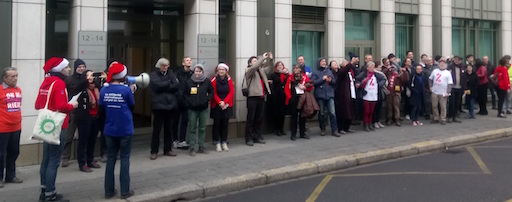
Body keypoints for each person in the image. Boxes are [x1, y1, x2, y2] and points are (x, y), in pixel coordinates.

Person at [35, 57, 78, 202]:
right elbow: (62, 106)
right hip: (58, 125)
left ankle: (44, 191)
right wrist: (73, 105)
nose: (69, 69)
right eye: (66, 67)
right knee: (54, 161)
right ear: (60, 69)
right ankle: (50, 194)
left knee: (46, 159)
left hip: (46, 125)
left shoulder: (45, 82)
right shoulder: (59, 83)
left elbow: (37, 104)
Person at [99, 62, 135, 199]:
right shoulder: (126, 90)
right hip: (125, 129)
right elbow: (132, 106)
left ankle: (108, 191)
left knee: (110, 160)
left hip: (110, 129)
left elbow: (101, 110)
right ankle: (124, 190)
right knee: (125, 159)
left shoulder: (103, 90)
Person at [149, 58, 179, 160]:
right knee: (157, 130)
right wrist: (168, 83)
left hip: (170, 105)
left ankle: (168, 149)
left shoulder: (171, 74)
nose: (165, 67)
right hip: (158, 106)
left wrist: (166, 84)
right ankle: (154, 151)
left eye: (166, 65)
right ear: (159, 66)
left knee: (168, 129)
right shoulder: (153, 75)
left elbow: (176, 86)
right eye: (163, 65)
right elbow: (156, 86)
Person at [61, 59, 87, 168]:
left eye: (83, 67)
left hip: (84, 111)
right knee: (68, 136)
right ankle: (65, 157)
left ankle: (82, 158)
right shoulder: (69, 80)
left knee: (83, 137)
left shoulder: (87, 79)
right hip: (72, 111)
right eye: (79, 67)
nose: (82, 69)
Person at [75, 70, 101, 172]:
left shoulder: (96, 88)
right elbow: (77, 88)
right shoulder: (83, 88)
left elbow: (102, 87)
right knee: (83, 141)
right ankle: (82, 163)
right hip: (84, 118)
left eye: (92, 75)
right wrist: (86, 79)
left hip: (95, 117)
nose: (91, 78)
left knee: (92, 140)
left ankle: (90, 160)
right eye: (89, 76)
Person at [0, 67, 22, 188]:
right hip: (2, 128)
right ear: (4, 78)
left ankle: (10, 175)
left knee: (14, 152)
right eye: (12, 76)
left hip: (16, 127)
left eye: (16, 76)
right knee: (1, 154)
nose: (15, 78)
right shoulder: (0, 90)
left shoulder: (18, 89)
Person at [244, 52, 273, 146]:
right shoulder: (249, 70)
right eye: (254, 61)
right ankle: (248, 138)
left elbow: (270, 69)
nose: (257, 62)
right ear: (250, 63)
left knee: (259, 118)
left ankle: (257, 136)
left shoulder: (261, 70)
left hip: (261, 97)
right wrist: (262, 59)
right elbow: (254, 67)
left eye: (257, 61)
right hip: (252, 97)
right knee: (250, 119)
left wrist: (270, 60)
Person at [185, 64, 213, 156]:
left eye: (200, 71)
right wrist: (190, 102)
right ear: (194, 72)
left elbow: (211, 92)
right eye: (196, 71)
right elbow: (185, 94)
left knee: (202, 128)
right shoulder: (189, 81)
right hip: (192, 109)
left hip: (203, 109)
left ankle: (201, 146)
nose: (198, 73)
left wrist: (206, 99)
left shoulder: (207, 81)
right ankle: (192, 147)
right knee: (192, 128)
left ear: (202, 72)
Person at [311, 58, 341, 137]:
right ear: (319, 63)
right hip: (320, 95)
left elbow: (334, 82)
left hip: (329, 94)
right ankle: (323, 129)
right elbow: (313, 83)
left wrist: (330, 80)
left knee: (332, 112)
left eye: (325, 61)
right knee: (322, 113)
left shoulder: (329, 71)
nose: (324, 63)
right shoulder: (315, 72)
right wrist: (322, 79)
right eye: (322, 62)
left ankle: (334, 130)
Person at [285, 63, 313, 140]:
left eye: (296, 68)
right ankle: (293, 134)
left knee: (302, 116)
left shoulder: (304, 76)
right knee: (294, 117)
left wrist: (305, 88)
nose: (295, 70)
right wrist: (290, 98)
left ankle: (302, 133)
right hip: (294, 98)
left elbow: (310, 87)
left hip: (303, 98)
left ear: (300, 69)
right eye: (294, 68)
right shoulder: (290, 77)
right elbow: (287, 89)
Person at [356, 62, 386, 132]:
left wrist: (379, 85)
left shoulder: (376, 75)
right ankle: (365, 124)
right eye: (370, 67)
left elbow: (383, 79)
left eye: (373, 67)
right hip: (367, 94)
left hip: (374, 94)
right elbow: (357, 79)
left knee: (372, 111)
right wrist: (359, 84)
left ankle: (370, 123)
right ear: (367, 68)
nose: (371, 68)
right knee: (367, 111)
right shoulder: (364, 74)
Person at [210, 63, 234, 152]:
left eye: (223, 70)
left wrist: (225, 102)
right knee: (217, 124)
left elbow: (231, 92)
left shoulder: (229, 80)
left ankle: (224, 141)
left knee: (225, 124)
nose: (221, 71)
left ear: (226, 71)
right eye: (219, 70)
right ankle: (217, 142)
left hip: (226, 105)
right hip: (217, 105)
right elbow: (213, 93)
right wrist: (220, 102)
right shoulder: (214, 80)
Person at [173, 56, 193, 149]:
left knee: (185, 121)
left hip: (187, 101)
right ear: (183, 63)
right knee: (175, 121)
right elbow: (175, 87)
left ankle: (182, 140)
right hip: (177, 101)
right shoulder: (177, 74)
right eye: (187, 60)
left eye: (190, 60)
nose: (189, 62)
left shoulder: (192, 74)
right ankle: (175, 139)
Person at [334, 58, 357, 134]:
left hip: (351, 93)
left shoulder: (349, 72)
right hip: (343, 95)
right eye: (345, 63)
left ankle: (347, 127)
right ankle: (341, 128)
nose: (347, 64)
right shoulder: (341, 72)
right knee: (343, 112)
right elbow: (344, 70)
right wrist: (351, 63)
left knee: (350, 111)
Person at [384, 59, 409, 126]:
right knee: (389, 107)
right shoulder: (388, 74)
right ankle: (389, 119)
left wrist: (405, 72)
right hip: (389, 92)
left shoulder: (399, 76)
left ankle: (397, 119)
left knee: (396, 106)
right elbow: (383, 75)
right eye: (392, 69)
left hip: (397, 92)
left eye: (394, 69)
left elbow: (406, 80)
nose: (393, 70)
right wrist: (387, 69)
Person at [268, 61, 289, 136]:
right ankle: (276, 129)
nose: (280, 66)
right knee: (276, 113)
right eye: (278, 65)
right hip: (276, 96)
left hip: (283, 96)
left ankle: (281, 128)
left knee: (282, 113)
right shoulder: (273, 75)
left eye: (281, 65)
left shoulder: (286, 75)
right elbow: (269, 82)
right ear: (276, 67)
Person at [429, 58, 453, 125]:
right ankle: (436, 118)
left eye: (443, 63)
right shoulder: (435, 71)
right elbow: (430, 79)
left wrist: (448, 92)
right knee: (434, 105)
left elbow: (450, 83)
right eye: (440, 63)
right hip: (435, 91)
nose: (442, 64)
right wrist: (430, 87)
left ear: (445, 64)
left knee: (443, 106)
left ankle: (443, 118)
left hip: (443, 92)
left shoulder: (447, 73)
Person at [447, 56, 466, 123]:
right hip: (452, 87)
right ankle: (450, 116)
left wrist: (464, 88)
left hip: (460, 87)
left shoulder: (462, 67)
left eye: (459, 60)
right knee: (452, 102)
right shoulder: (450, 67)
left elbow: (464, 78)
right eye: (456, 60)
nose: (457, 61)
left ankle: (455, 116)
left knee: (457, 102)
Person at [372, 61, 388, 129]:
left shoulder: (381, 74)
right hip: (375, 92)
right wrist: (379, 85)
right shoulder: (375, 74)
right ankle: (375, 121)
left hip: (380, 92)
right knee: (375, 108)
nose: (380, 68)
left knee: (379, 108)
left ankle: (378, 121)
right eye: (379, 66)